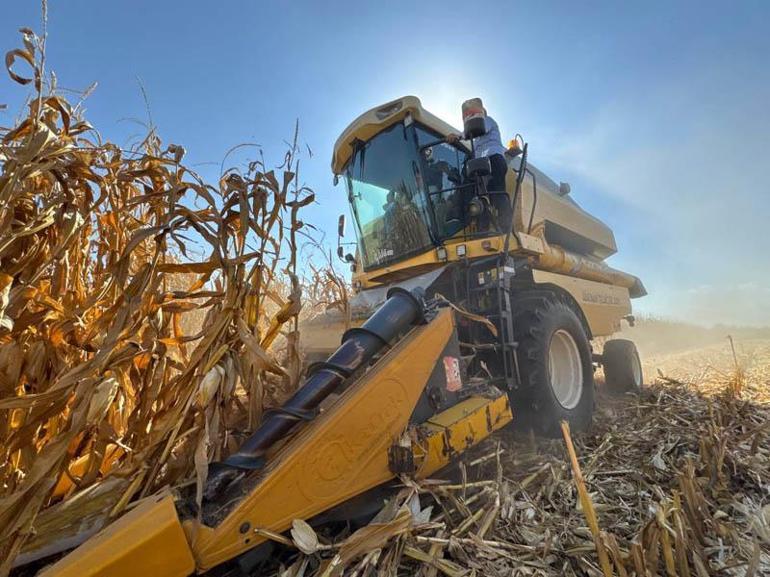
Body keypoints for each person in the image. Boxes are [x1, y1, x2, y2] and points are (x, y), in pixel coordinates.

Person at [446, 106, 511, 231]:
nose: (471, 119)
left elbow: (476, 128)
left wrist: (457, 136)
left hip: (494, 159)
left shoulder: (488, 121)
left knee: (497, 192)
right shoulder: (475, 141)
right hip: (482, 163)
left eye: (474, 115)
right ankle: (482, 227)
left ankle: (506, 227)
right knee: (478, 196)